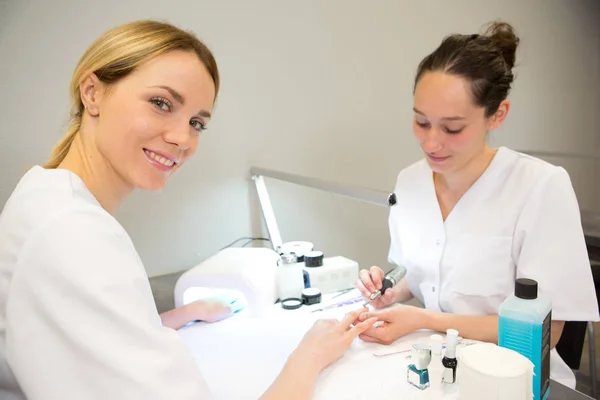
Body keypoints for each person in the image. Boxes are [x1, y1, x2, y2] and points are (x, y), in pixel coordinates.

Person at [0, 20, 377, 400]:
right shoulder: (74, 234)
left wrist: (176, 317)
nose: (182, 138)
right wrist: (310, 356)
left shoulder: (44, 193)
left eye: (197, 122)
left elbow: (83, 325)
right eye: (161, 104)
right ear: (92, 92)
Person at [354, 20, 599, 389]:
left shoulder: (539, 187)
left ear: (497, 115)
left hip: (513, 382)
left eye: (452, 129)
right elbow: (420, 276)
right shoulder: (410, 182)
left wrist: (423, 321)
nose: (431, 143)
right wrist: (390, 289)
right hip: (437, 366)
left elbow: (549, 329)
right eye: (421, 122)